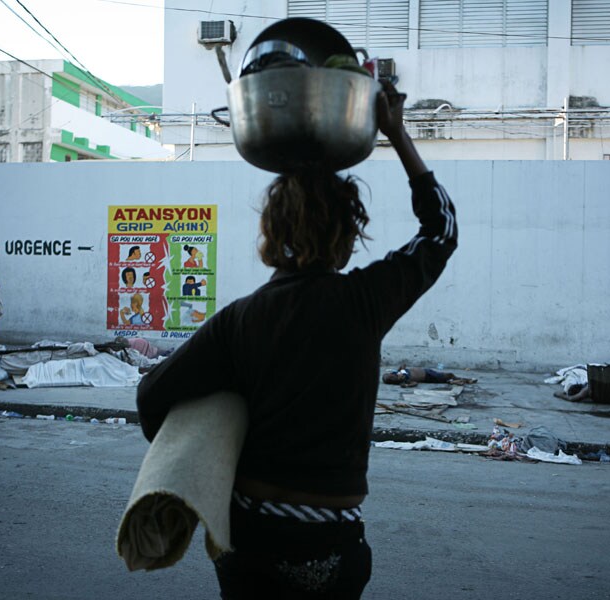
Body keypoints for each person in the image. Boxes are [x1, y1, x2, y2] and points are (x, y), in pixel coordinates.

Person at [136, 80, 457, 598]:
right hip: (331, 548)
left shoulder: (239, 321)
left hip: (248, 542)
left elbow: (152, 399)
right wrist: (396, 133)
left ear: (270, 231)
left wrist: (218, 443)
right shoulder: (366, 300)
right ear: (348, 236)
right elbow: (441, 230)